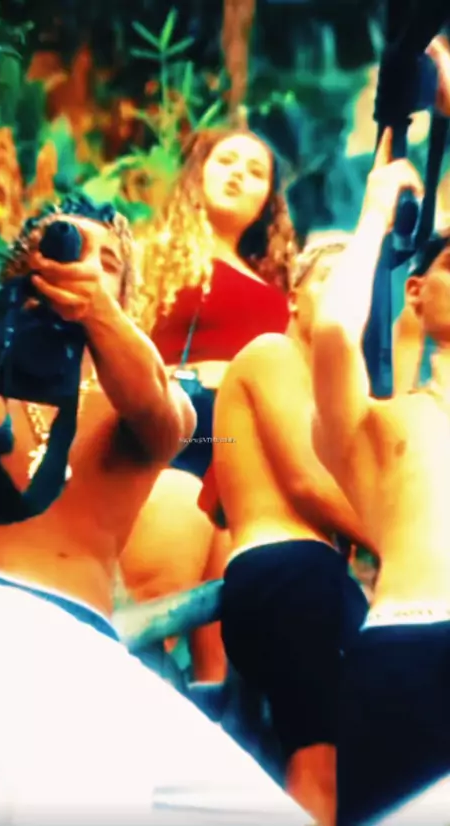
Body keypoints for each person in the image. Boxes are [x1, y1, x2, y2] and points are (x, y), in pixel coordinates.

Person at [0, 196, 309, 826]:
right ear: (26, 270)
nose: (86, 271)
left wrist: (97, 313)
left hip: (98, 652)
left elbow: (161, 417)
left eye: (107, 264)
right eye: (68, 251)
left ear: (126, 298)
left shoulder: (141, 398)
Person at [311, 121, 450, 826]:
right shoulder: (376, 424)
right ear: (417, 291)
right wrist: (373, 214)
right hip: (411, 649)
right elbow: (336, 332)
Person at [121, 127, 297, 680]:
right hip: (183, 432)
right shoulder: (151, 254)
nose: (238, 173)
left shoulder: (278, 284)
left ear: (268, 201)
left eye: (255, 170)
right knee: (157, 610)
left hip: (242, 458)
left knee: (221, 650)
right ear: (199, 172)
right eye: (226, 161)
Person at [211, 238, 371, 826]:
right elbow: (305, 482)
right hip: (288, 574)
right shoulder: (272, 352)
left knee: (353, 766)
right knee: (320, 764)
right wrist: (396, 544)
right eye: (329, 278)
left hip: (311, 580)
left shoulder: (331, 391)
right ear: (295, 296)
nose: (344, 294)